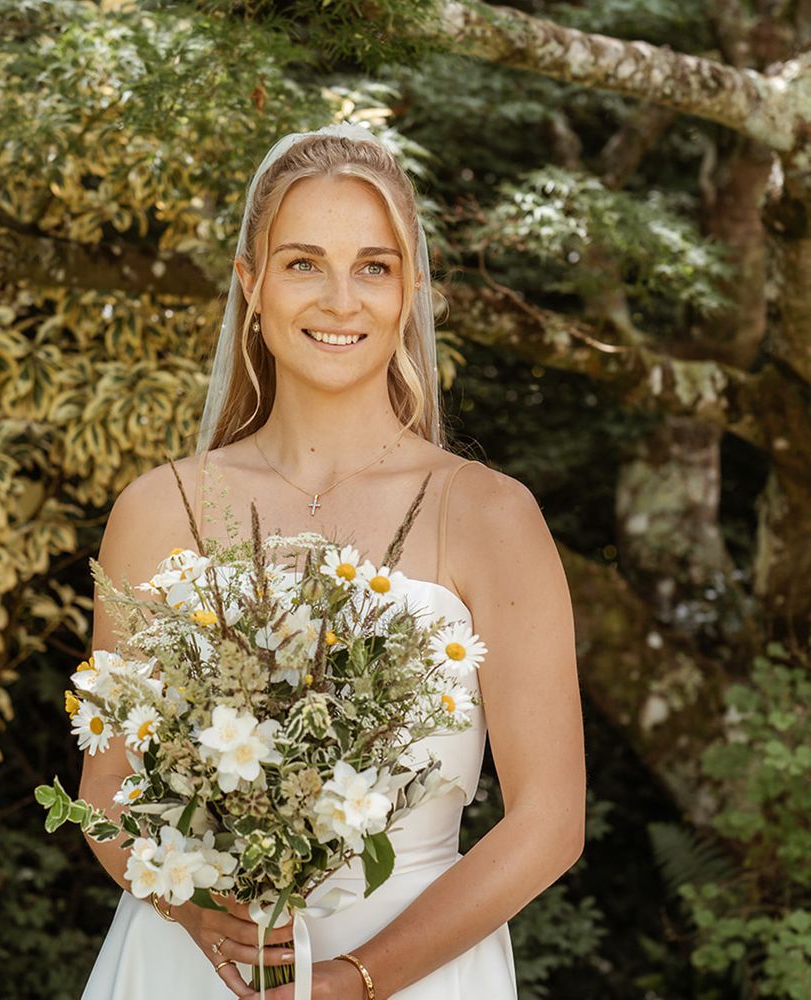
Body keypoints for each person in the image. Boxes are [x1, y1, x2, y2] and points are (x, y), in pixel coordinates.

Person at [77, 123, 586, 999]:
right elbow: (108, 790)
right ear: (252, 285)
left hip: (419, 969)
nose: (341, 300)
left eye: (375, 267)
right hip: (198, 969)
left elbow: (548, 823)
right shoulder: (161, 510)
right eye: (304, 262)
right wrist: (194, 908)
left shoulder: (492, 517)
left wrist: (358, 979)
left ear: (411, 289)